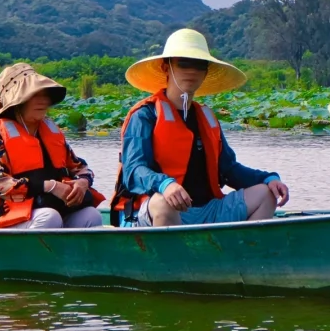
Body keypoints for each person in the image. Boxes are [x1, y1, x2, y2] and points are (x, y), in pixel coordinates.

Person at [111, 29, 289, 227]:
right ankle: (168, 257)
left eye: (199, 65)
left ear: (205, 72)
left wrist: (268, 179)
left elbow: (229, 169)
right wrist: (164, 184)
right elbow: (134, 171)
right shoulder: (145, 115)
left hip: (208, 210)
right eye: (184, 63)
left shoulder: (206, 118)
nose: (191, 71)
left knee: (266, 193)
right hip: (157, 210)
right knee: (164, 203)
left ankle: (241, 254)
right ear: (166, 67)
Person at [0, 64, 104, 231]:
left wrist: (82, 183)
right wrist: (50, 186)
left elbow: (80, 167)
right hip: (8, 215)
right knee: (49, 217)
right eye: (34, 95)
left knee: (91, 216)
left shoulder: (52, 133)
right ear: (17, 102)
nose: (43, 101)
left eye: (45, 95)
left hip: (51, 210)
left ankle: (73, 257)